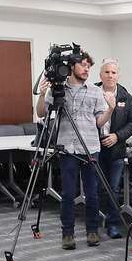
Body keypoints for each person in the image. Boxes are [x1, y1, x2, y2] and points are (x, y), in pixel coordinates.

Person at [36, 50, 114, 249]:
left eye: (89, 66)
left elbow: (99, 122)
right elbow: (41, 113)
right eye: (83, 65)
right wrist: (42, 93)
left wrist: (110, 109)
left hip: (90, 147)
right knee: (68, 193)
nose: (87, 69)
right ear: (71, 67)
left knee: (92, 193)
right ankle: (67, 234)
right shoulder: (58, 89)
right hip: (67, 147)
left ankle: (92, 231)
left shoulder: (95, 91)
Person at [95, 58, 132, 239]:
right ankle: (94, 225)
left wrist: (117, 136)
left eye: (113, 72)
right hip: (95, 148)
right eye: (107, 72)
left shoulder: (125, 96)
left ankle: (112, 224)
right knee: (96, 188)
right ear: (100, 74)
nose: (110, 75)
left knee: (113, 188)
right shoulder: (92, 93)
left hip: (116, 150)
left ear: (118, 75)